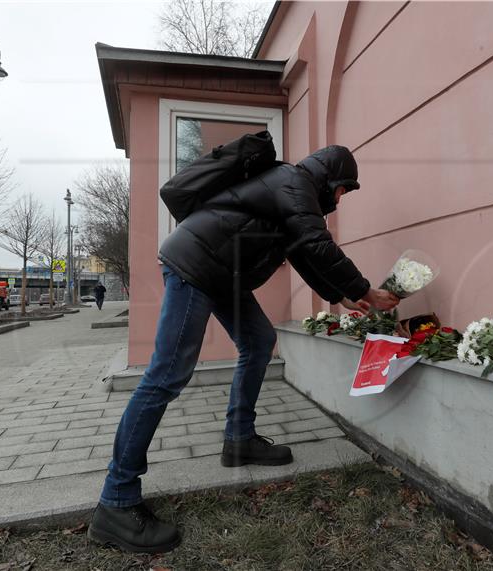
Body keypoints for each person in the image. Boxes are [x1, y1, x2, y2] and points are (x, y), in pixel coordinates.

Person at [88, 145, 400, 553]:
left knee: (258, 341)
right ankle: (116, 500)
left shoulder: (292, 191)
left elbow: (303, 253)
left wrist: (341, 295)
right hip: (196, 266)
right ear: (330, 178)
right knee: (166, 375)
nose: (340, 200)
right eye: (343, 190)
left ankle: (239, 439)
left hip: (221, 272)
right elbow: (315, 240)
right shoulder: (294, 181)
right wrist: (363, 290)